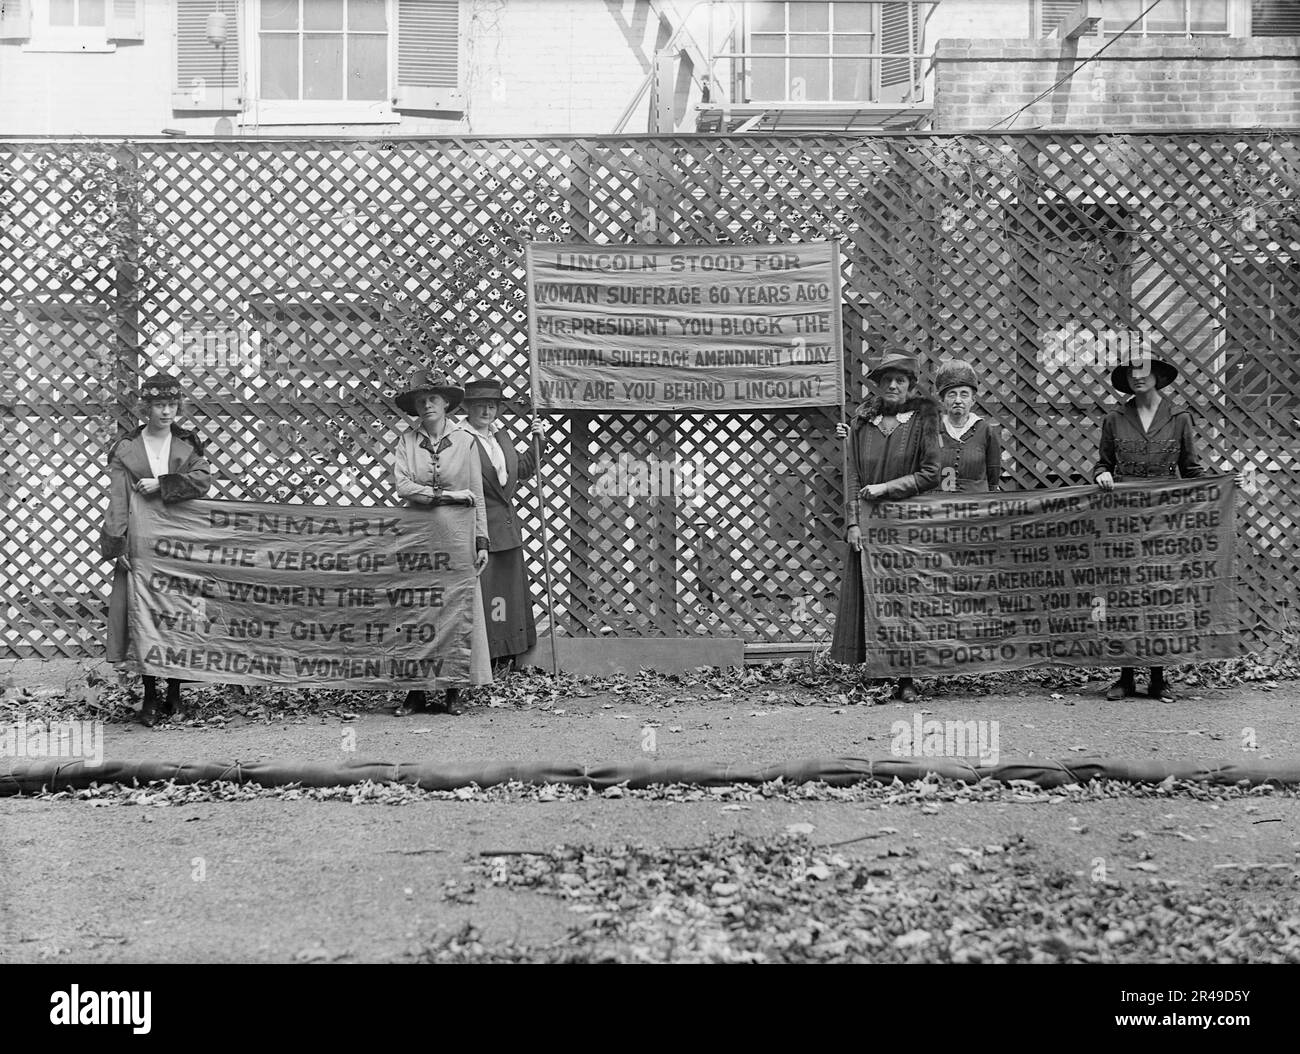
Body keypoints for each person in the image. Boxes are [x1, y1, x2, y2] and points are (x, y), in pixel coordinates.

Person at [98, 372, 212, 726]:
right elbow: (118, 500)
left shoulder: (188, 443)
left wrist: (163, 484)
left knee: (177, 615)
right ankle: (150, 696)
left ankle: (175, 695)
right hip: (142, 544)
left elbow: (203, 480)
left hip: (180, 542)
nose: (166, 412)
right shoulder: (127, 448)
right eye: (159, 405)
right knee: (145, 617)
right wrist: (117, 544)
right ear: (146, 407)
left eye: (172, 404)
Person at [831, 350, 941, 701]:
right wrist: (853, 523)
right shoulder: (862, 424)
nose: (893, 385)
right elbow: (852, 476)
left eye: (901, 380)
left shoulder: (923, 421)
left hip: (907, 525)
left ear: (910, 386)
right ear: (877, 385)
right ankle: (879, 672)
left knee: (905, 601)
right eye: (887, 380)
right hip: (869, 527)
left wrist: (886, 488)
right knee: (872, 599)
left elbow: (930, 473)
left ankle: (907, 678)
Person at [1095, 357, 1203, 702]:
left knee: (1159, 594)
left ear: (1157, 376)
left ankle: (1159, 679)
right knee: (1125, 595)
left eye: (1143, 370)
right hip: (1124, 517)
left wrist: (1228, 482)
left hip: (1163, 518)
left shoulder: (1179, 418)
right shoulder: (1114, 419)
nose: (1137, 376)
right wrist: (1102, 474)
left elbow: (1192, 470)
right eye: (1131, 371)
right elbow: (1103, 463)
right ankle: (1125, 677)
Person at [390, 370, 491, 716]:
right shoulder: (406, 441)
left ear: (446, 403)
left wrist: (481, 540)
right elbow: (403, 486)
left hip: (457, 537)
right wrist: (445, 495)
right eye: (420, 401)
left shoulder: (466, 441)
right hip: (417, 536)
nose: (427, 405)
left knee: (455, 609)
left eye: (433, 399)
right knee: (418, 610)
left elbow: (476, 493)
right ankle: (415, 691)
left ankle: (453, 689)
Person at [460, 378, 546, 672]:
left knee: (505, 596)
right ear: (469, 408)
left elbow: (520, 470)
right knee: (486, 594)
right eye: (481, 405)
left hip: (508, 528)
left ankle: (507, 653)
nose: (487, 411)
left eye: (493, 405)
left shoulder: (501, 437)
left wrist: (539, 442)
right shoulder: (462, 438)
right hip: (480, 528)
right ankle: (487, 657)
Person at [934, 359, 1002, 493]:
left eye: (964, 394)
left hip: (976, 508)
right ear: (942, 400)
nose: (958, 400)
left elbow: (993, 478)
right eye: (952, 394)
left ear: (973, 400)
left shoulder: (985, 431)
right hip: (938, 507)